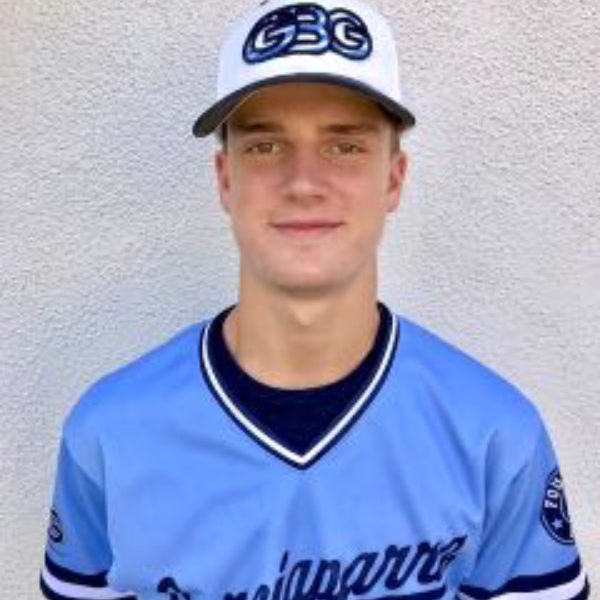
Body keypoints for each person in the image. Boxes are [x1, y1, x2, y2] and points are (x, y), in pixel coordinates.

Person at [40, 1, 590, 599]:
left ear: (394, 179)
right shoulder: (109, 433)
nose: (303, 183)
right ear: (225, 179)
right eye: (265, 146)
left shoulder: (495, 435)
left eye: (345, 146)